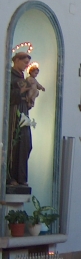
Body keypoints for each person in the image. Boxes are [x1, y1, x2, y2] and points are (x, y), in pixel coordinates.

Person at [8, 51, 33, 185]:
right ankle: (11, 177)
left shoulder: (23, 77)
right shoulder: (9, 75)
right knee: (15, 144)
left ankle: (22, 177)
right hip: (14, 113)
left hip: (23, 112)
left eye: (27, 63)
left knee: (26, 144)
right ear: (16, 60)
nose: (26, 65)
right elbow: (8, 95)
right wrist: (20, 92)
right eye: (24, 62)